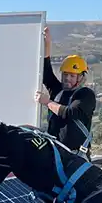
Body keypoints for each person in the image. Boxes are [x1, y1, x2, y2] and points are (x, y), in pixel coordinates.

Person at [36, 26, 96, 158]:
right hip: (55, 153)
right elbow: (46, 72)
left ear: (80, 77)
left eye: (72, 76)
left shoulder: (86, 94)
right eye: (65, 74)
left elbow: (70, 113)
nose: (67, 78)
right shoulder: (58, 91)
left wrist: (47, 102)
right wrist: (47, 44)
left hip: (76, 155)